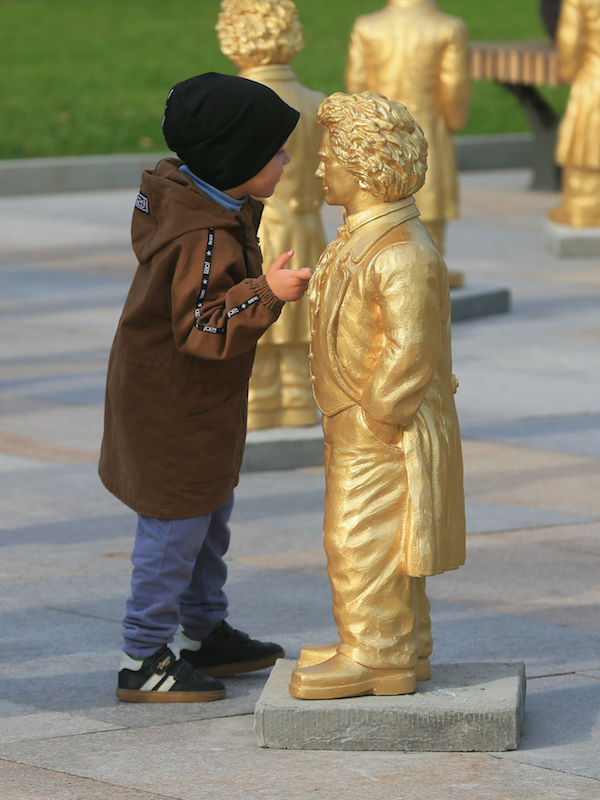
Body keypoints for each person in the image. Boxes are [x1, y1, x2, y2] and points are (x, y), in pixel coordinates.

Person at [98, 72, 311, 702]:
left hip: (196, 405)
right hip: (173, 412)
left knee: (207, 518)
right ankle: (143, 656)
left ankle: (202, 633)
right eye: (274, 151)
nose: (287, 159)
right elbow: (202, 325)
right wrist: (267, 292)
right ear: (236, 160)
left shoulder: (211, 206)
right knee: (174, 531)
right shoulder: (205, 234)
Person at [289, 91, 465, 701]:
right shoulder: (366, 237)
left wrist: (375, 417)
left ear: (364, 166)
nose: (318, 167)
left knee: (359, 536)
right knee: (390, 537)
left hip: (379, 426)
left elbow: (409, 352)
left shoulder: (402, 253)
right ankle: (402, 642)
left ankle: (376, 654)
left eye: (328, 156)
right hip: (356, 419)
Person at [217, 0, 326, 429]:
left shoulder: (232, 103)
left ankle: (259, 404)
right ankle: (299, 400)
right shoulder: (316, 103)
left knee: (255, 310)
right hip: (306, 229)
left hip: (254, 230)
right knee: (301, 321)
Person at [345, 0, 470, 284]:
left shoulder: (367, 26)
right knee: (430, 193)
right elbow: (454, 85)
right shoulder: (448, 27)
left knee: (379, 199)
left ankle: (378, 259)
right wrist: (454, 120)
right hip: (426, 126)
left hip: (380, 130)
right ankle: (432, 258)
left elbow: (357, 82)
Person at [549, 0, 600, 228]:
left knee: (586, 155)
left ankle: (585, 208)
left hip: (594, 81)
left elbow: (570, 47)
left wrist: (569, 73)